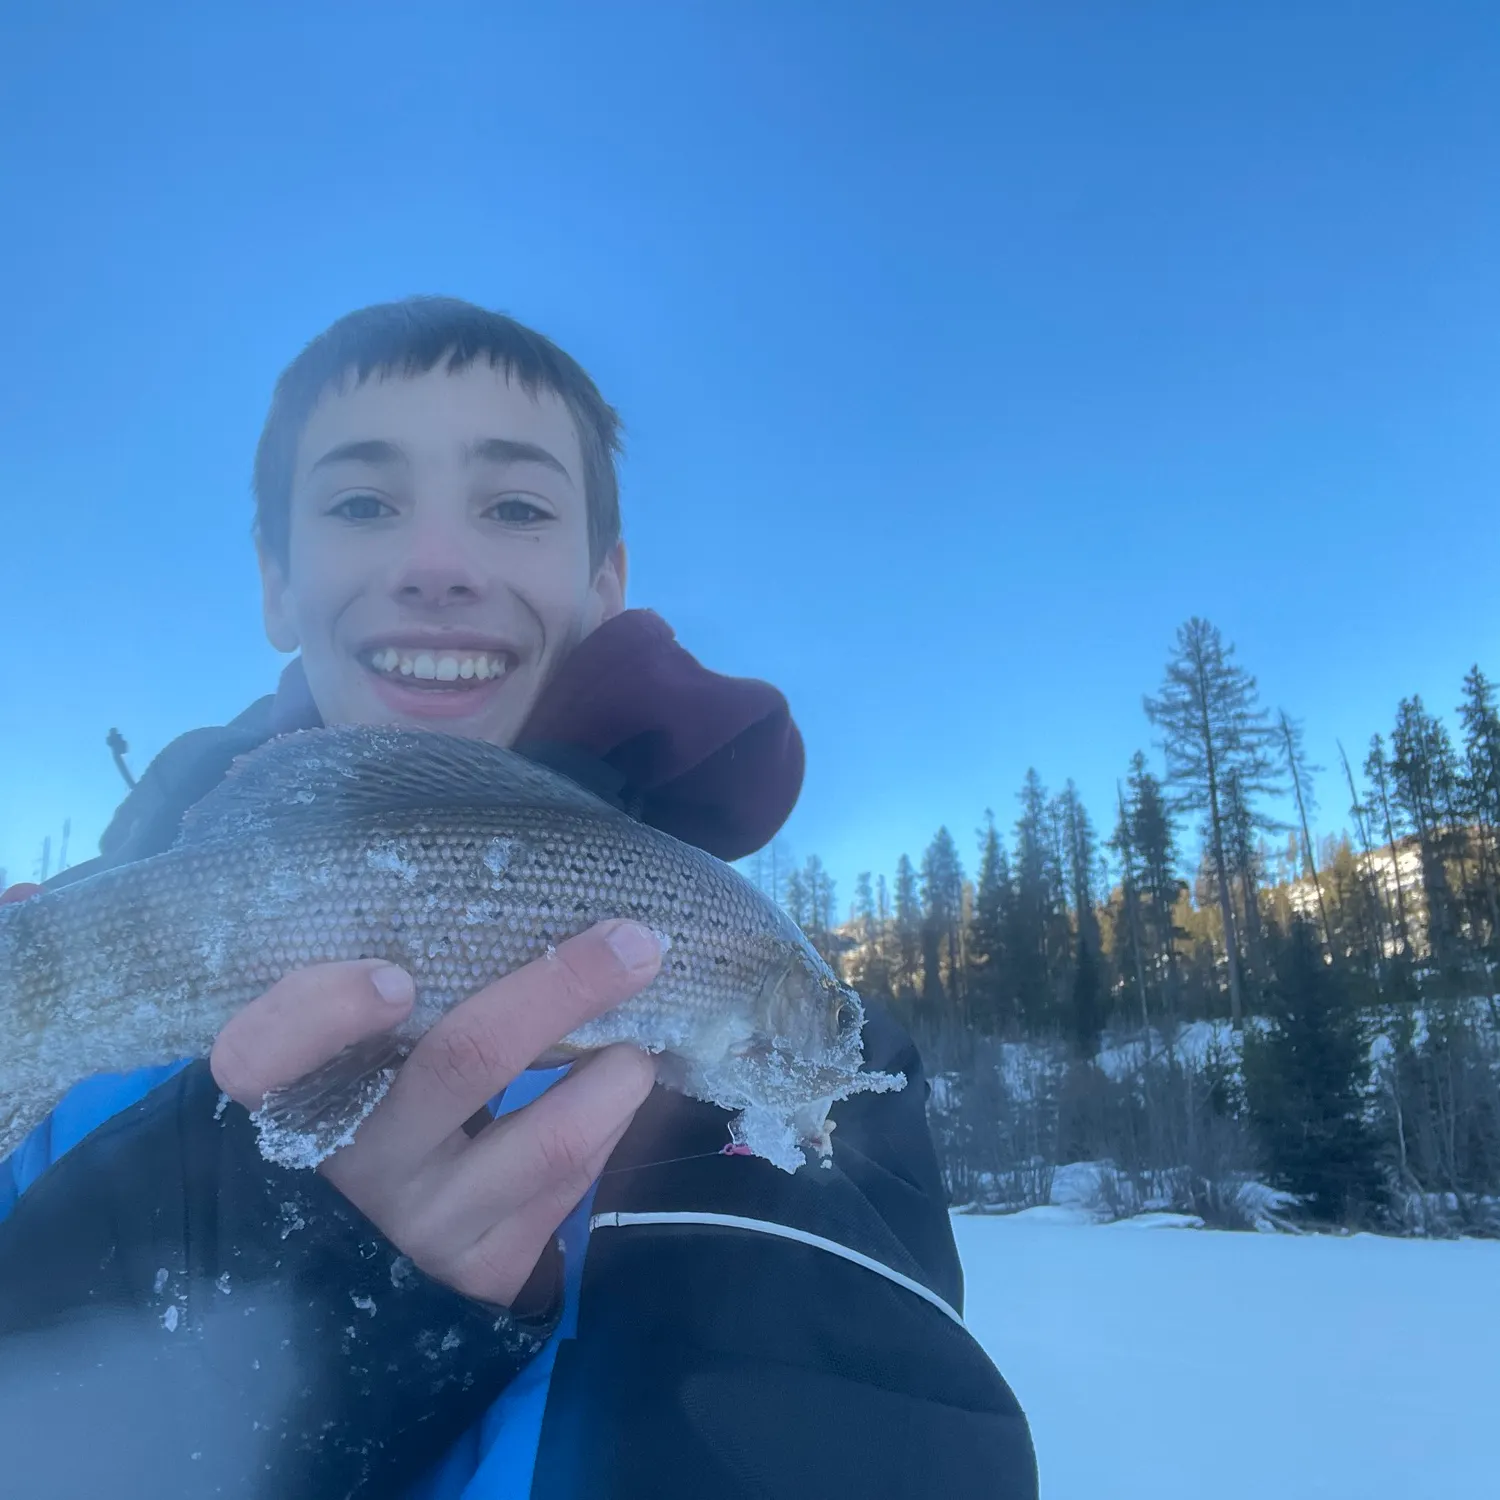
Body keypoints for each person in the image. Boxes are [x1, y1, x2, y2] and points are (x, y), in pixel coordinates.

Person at [0, 298, 1038, 1499]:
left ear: (605, 583)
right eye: (361, 504)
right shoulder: (49, 981)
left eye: (515, 508)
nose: (436, 566)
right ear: (277, 582)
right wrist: (245, 1252)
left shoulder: (789, 1084)